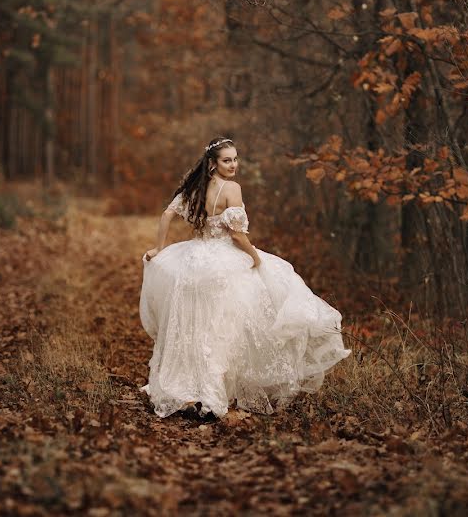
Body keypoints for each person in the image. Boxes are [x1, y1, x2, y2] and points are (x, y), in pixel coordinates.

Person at [139, 137, 351, 418]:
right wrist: (255, 257)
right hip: (221, 263)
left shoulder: (194, 187)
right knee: (222, 327)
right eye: (227, 160)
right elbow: (237, 235)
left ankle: (192, 389)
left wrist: (160, 247)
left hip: (192, 262)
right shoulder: (231, 189)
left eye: (236, 159)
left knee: (196, 326)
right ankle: (211, 391)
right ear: (213, 163)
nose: (234, 165)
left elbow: (167, 214)